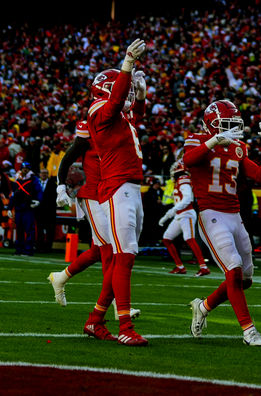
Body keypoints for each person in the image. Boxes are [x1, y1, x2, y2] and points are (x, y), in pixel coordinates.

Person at [184, 99, 261, 346]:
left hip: (235, 215)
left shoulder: (238, 147)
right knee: (233, 269)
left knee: (245, 279)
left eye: (233, 124)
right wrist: (212, 141)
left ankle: (203, 307)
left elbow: (260, 176)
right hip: (211, 213)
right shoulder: (197, 139)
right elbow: (188, 160)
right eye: (224, 124)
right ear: (211, 125)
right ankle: (249, 331)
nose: (229, 129)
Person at [86, 38, 148, 346]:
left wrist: (143, 97)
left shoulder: (120, 116)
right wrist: (126, 64)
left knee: (123, 258)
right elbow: (114, 104)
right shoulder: (99, 110)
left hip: (131, 188)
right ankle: (125, 325)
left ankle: (95, 320)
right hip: (117, 188)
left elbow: (129, 111)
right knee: (124, 257)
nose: (130, 97)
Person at [47, 120, 140, 322]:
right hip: (93, 194)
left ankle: (61, 277)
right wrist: (61, 186)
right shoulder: (93, 125)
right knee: (110, 249)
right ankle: (118, 305)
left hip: (112, 193)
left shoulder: (120, 126)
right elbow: (69, 156)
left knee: (99, 249)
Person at [158, 159, 210, 276]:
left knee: (189, 239)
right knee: (166, 239)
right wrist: (167, 215)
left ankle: (203, 267)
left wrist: (172, 210)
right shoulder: (178, 182)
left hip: (186, 213)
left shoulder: (183, 180)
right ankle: (180, 267)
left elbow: (188, 199)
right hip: (179, 214)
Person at [7, 162, 42, 256]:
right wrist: (10, 208)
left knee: (29, 230)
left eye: (26, 168)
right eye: (23, 168)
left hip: (28, 208)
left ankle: (28, 250)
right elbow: (13, 195)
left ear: (29, 169)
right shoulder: (17, 179)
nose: (25, 170)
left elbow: (39, 191)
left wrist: (38, 201)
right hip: (19, 208)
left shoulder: (33, 179)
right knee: (19, 230)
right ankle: (19, 249)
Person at [35, 168, 56, 253]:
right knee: (39, 230)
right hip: (39, 211)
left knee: (49, 230)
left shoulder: (53, 184)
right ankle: (39, 247)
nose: (43, 175)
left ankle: (48, 248)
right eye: (42, 173)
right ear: (39, 174)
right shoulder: (36, 183)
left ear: (48, 174)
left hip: (49, 212)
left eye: (45, 173)